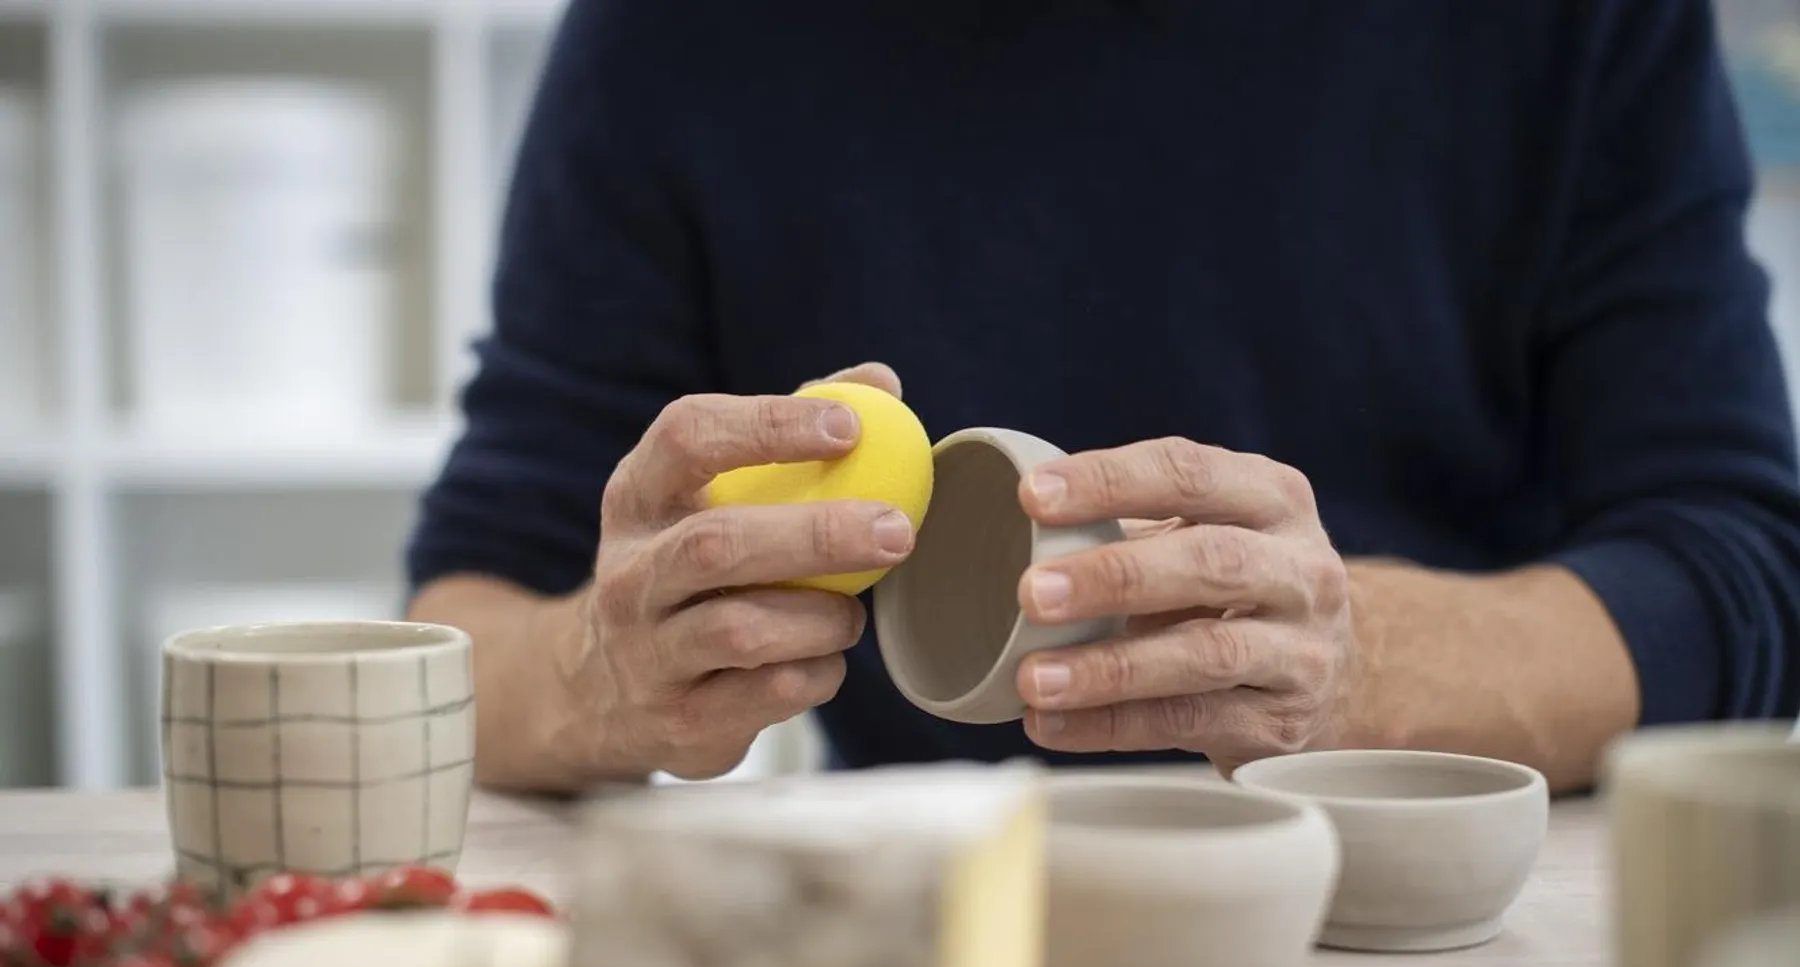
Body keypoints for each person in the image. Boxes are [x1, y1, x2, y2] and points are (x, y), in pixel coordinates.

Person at [404, 0, 1800, 797]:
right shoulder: (681, 36)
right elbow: (464, 623)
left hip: (1439, 913)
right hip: (944, 926)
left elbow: (1744, 570)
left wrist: (1357, 663)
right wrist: (598, 673)